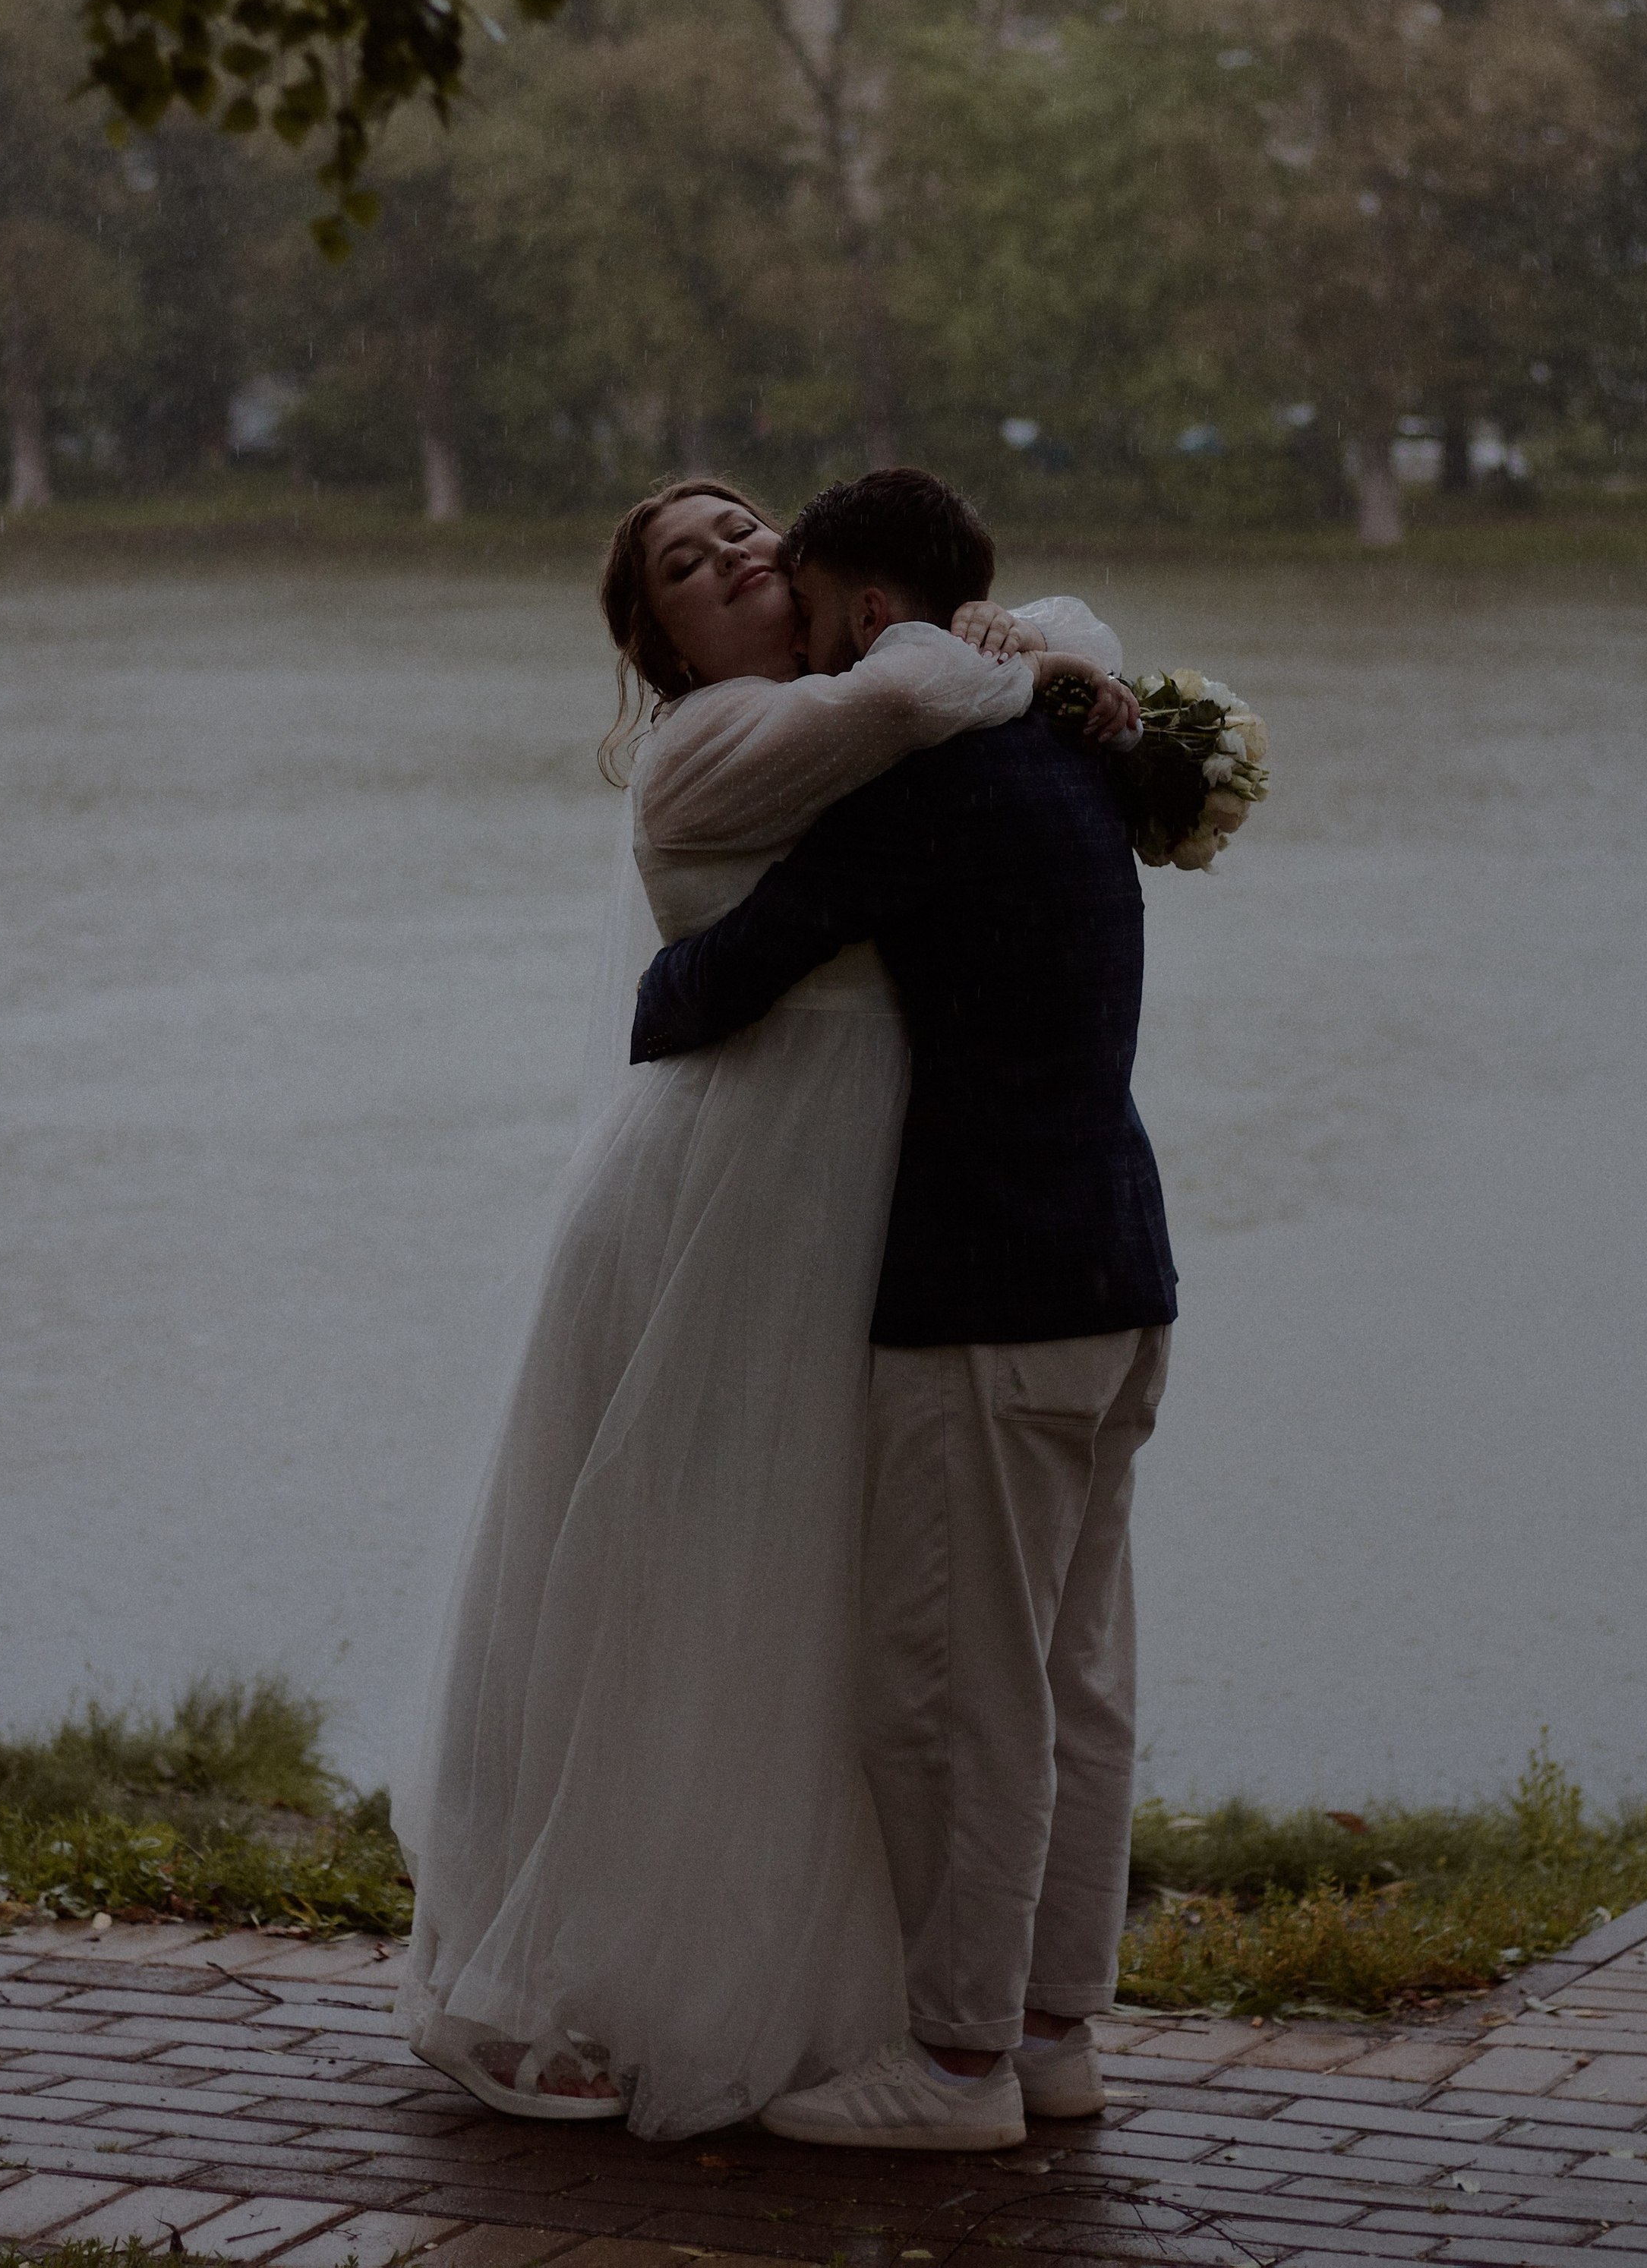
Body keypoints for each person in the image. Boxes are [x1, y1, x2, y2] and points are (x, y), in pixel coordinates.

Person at [391, 471, 1130, 2141]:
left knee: (831, 1611)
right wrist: (1010, 645)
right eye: (685, 559)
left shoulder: (873, 695)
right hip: (721, 1205)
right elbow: (922, 689)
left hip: (869, 1203)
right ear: (660, 642)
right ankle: (552, 1975)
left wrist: (1021, 635)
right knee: (659, 1588)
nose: (729, 550)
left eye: (741, 526)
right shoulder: (717, 744)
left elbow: (1021, 650)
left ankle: (844, 1995)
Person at [633, 466, 1178, 2153]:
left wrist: (662, 979)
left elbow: (714, 979)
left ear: (872, 614)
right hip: (1119, 1272)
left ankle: (953, 2068)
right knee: (1076, 1680)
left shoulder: (930, 788)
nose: (784, 615)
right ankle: (1054, 2034)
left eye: (806, 600)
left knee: (950, 1696)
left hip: (986, 1299)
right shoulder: (1073, 758)